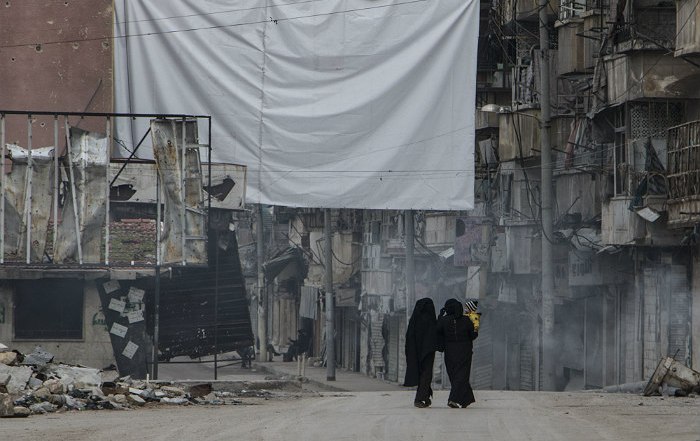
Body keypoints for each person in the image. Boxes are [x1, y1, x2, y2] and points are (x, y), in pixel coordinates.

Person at [436, 298, 478, 408]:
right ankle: (455, 399)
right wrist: (475, 324)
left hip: (450, 352)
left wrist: (440, 316)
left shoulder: (443, 320)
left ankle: (462, 399)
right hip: (465, 351)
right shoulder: (466, 320)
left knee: (454, 375)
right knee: (462, 375)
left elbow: (437, 330)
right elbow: (473, 335)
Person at [403, 298, 438, 408]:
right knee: (426, 374)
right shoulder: (430, 320)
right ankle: (419, 398)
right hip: (428, 352)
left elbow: (409, 337)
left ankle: (425, 396)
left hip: (415, 352)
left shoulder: (414, 320)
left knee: (422, 374)